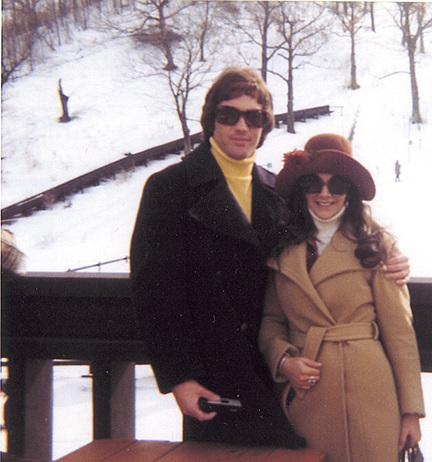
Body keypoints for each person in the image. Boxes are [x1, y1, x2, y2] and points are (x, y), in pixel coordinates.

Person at [129, 67, 410, 448]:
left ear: (266, 124)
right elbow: (155, 293)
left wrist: (392, 258)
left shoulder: (277, 193)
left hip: (276, 381)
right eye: (229, 114)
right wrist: (179, 377)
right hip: (213, 382)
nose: (241, 126)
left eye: (254, 117)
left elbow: (327, 239)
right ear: (211, 118)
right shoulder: (170, 188)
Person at [259, 134, 425, 462]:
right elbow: (271, 322)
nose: (325, 194)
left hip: (372, 396)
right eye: (312, 184)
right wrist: (284, 361)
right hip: (310, 397)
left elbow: (400, 334)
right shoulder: (282, 251)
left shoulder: (376, 246)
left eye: (336, 185)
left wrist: (411, 412)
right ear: (300, 190)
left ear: (349, 191)